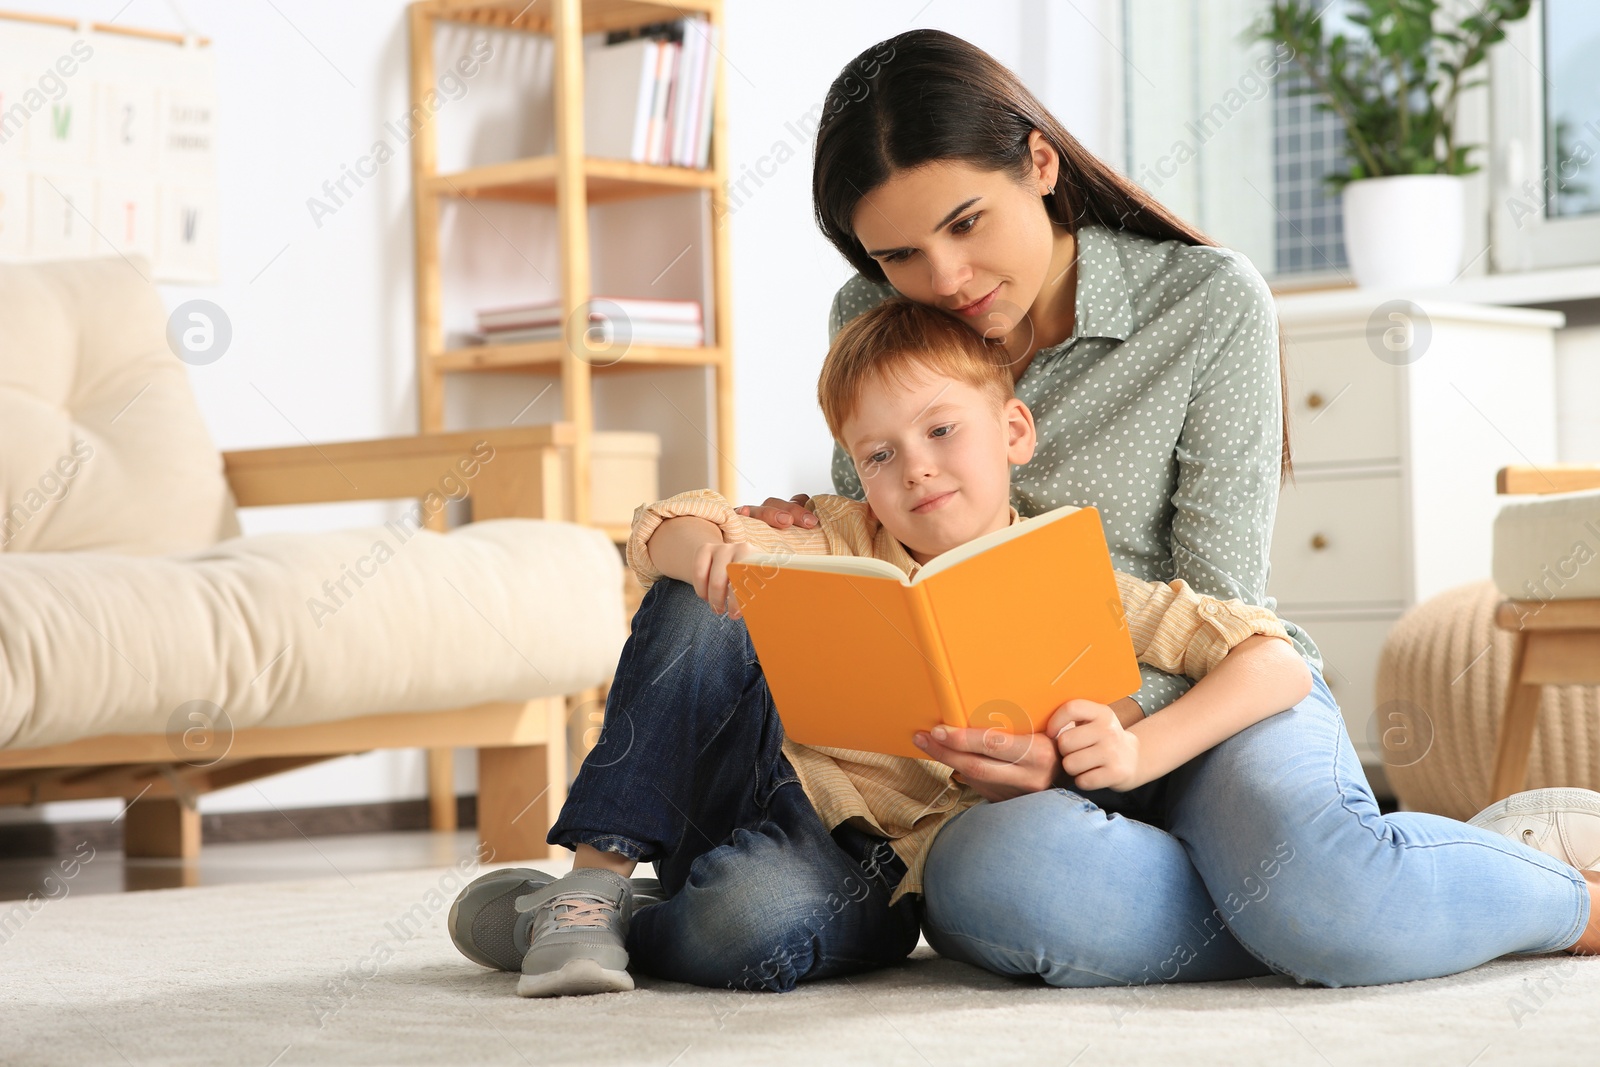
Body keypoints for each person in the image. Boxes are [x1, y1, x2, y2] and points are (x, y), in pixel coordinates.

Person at [730, 27, 1600, 988]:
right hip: (1018, 761)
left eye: (968, 224)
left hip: (1210, 703)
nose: (944, 281)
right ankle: (1349, 892)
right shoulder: (869, 313)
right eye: (900, 253)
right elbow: (890, 569)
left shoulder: (1205, 299)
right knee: (993, 882)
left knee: (1321, 896)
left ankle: (1551, 890)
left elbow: (1225, 604)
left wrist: (1107, 739)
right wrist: (807, 536)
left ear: (1041, 163)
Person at [447, 296, 1317, 998]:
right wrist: (707, 553)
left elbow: (1273, 659)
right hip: (758, 782)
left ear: (1014, 430)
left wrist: (1133, 749)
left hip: (880, 867)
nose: (917, 470)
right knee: (703, 596)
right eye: (879, 454)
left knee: (751, 933)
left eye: (943, 432)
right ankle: (592, 882)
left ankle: (573, 921)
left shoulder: (1072, 572)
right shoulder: (839, 533)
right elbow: (665, 523)